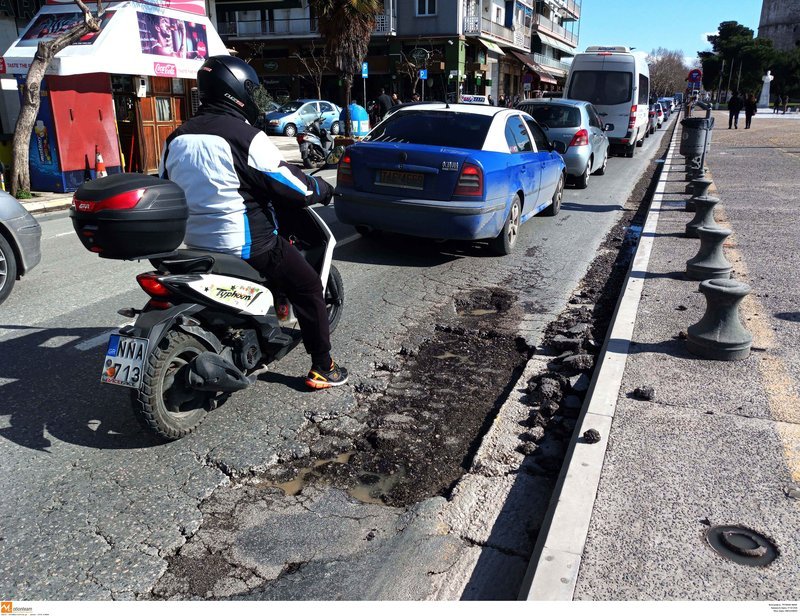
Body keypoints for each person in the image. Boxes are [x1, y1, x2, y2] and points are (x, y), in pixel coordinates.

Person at [160, 56, 348, 389]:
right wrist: (323, 188)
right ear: (239, 91)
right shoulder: (246, 137)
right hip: (248, 246)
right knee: (307, 287)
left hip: (195, 246)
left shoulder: (176, 138)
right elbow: (294, 185)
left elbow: (167, 185)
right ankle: (323, 366)